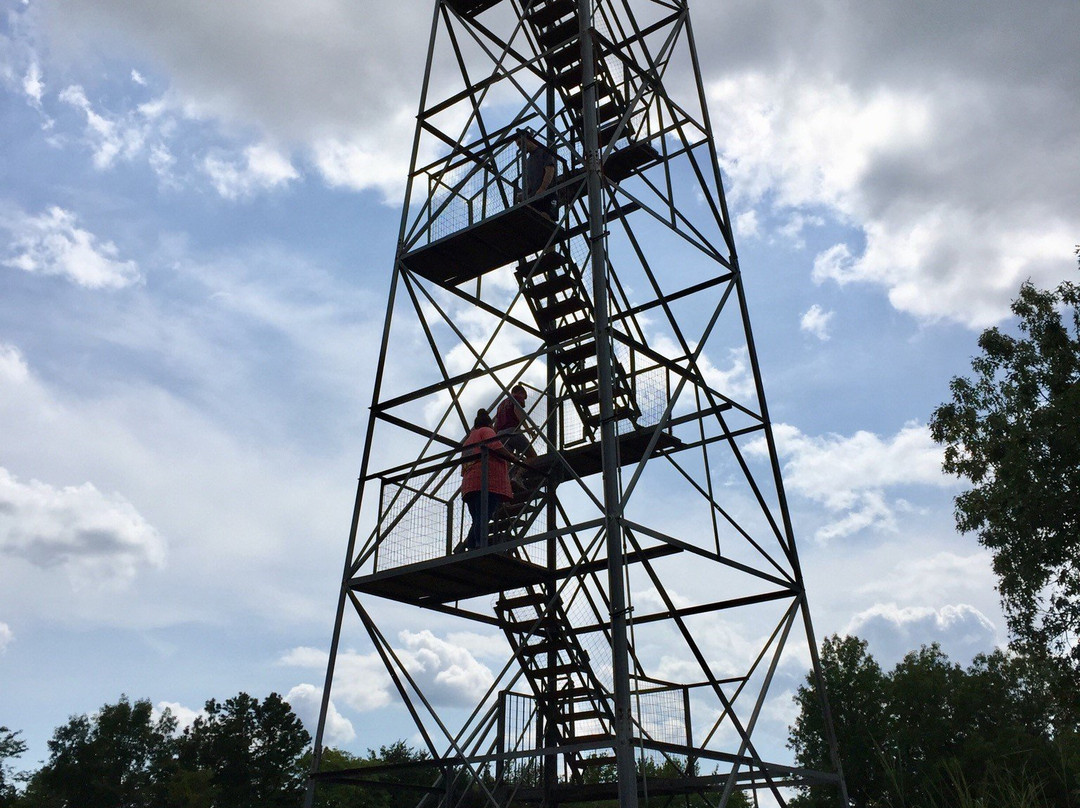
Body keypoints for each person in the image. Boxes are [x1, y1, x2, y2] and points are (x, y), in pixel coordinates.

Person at [459, 409, 513, 551]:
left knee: (477, 519)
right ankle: (479, 546)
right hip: (487, 482)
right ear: (490, 423)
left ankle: (473, 546)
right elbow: (496, 447)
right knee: (483, 517)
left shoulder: (468, 440)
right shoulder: (487, 431)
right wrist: (512, 458)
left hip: (469, 484)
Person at [495, 385, 538, 489]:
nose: (524, 400)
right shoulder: (516, 398)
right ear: (520, 393)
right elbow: (518, 412)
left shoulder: (501, 404)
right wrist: (528, 429)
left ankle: (507, 486)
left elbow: (496, 423)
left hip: (500, 434)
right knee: (532, 456)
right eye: (524, 397)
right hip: (512, 431)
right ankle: (517, 477)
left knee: (507, 462)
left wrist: (494, 438)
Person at [518, 130, 557, 219]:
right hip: (534, 197)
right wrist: (523, 194)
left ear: (528, 139)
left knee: (545, 218)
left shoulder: (543, 151)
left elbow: (550, 170)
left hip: (547, 194)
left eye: (520, 143)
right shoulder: (527, 161)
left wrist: (542, 188)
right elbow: (529, 182)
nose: (520, 147)